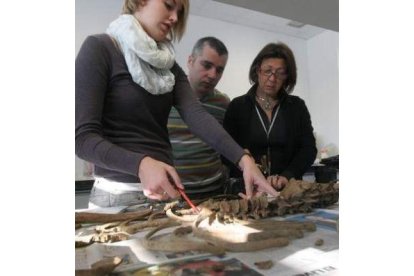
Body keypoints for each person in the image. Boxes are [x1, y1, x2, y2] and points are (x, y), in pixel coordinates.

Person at [75, 0, 278, 208]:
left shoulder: (170, 68)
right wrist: (141, 165)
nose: (175, 18)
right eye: (169, 5)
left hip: (167, 196)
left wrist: (244, 161)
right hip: (117, 196)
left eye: (179, 12)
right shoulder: (100, 49)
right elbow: (81, 139)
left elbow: (197, 117)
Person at [223, 42, 317, 191]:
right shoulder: (238, 106)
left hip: (288, 189)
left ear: (287, 76)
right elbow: (225, 150)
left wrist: (287, 176)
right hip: (248, 189)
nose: (272, 79)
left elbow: (308, 149)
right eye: (268, 71)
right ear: (257, 70)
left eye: (280, 73)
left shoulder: (297, 106)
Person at [167, 36, 230, 199]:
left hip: (214, 192)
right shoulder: (164, 96)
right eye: (207, 65)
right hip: (173, 194)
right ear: (190, 61)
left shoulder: (223, 103)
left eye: (220, 70)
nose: (212, 75)